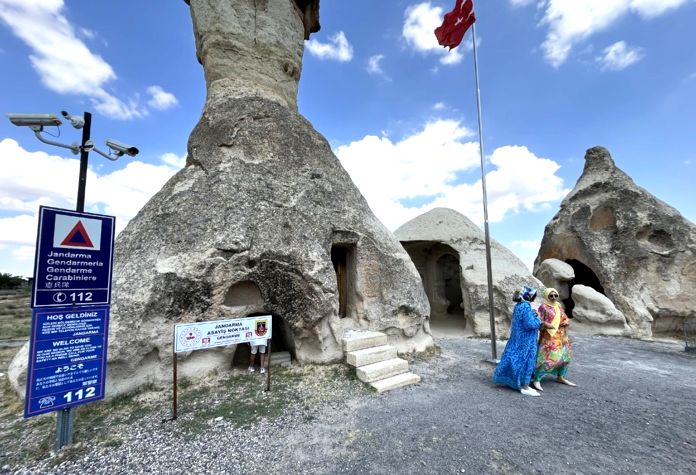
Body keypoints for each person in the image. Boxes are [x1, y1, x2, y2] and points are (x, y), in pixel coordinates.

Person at [493, 286, 554, 397]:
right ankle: (524, 386)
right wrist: (540, 321)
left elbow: (524, 319)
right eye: (534, 296)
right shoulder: (526, 306)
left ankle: (515, 382)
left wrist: (533, 314)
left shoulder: (519, 305)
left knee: (514, 358)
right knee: (526, 361)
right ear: (531, 296)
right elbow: (530, 324)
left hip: (517, 338)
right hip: (526, 340)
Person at [531, 288, 576, 391]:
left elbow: (564, 318)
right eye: (551, 296)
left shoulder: (558, 306)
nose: (553, 297)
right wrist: (545, 325)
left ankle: (560, 377)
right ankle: (537, 379)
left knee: (565, 357)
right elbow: (539, 320)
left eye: (555, 295)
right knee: (548, 358)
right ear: (547, 296)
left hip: (562, 335)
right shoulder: (543, 307)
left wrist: (565, 325)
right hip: (549, 336)